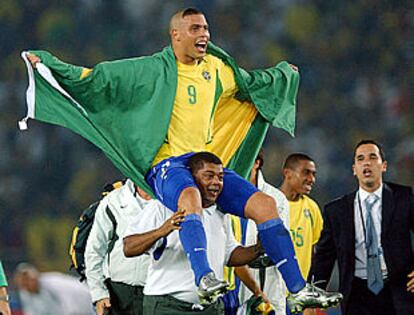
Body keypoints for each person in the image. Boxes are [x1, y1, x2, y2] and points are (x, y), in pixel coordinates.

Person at [23, 8, 341, 311]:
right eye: (195, 29)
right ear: (176, 35)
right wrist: (52, 65)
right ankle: (204, 277)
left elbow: (252, 85)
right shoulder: (151, 70)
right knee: (190, 197)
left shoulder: (217, 69)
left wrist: (283, 75)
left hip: (204, 163)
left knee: (265, 206)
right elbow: (99, 78)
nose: (204, 34)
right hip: (168, 166)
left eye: (205, 28)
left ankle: (298, 290)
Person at [123, 152, 266, 314]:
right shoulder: (162, 206)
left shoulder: (220, 213)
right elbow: (128, 247)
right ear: (192, 177)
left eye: (220, 177)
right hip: (167, 306)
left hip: (210, 307)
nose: (216, 182)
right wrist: (161, 231)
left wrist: (258, 249)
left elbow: (230, 255)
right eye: (209, 176)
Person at [309, 140, 414, 315]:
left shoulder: (404, 198)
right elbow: (323, 258)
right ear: (354, 169)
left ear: (384, 166)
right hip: (356, 295)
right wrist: (312, 300)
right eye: (360, 159)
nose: (367, 162)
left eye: (373, 157)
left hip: (399, 291)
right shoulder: (336, 210)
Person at [85, 179, 151, 315]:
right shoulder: (114, 200)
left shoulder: (172, 199)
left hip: (157, 292)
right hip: (118, 293)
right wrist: (99, 293)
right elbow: (94, 250)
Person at [237, 150, 289, 314]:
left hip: (269, 276)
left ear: (257, 162)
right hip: (235, 278)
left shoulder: (275, 198)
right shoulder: (225, 197)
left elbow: (279, 242)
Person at [279, 153, 323, 315]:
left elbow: (316, 254)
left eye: (314, 174)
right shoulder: (269, 204)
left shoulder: (312, 208)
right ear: (287, 173)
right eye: (306, 172)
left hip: (299, 297)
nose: (312, 179)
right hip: (272, 294)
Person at [14, 263, 94, 315]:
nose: (27, 284)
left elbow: (70, 307)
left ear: (35, 276)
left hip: (89, 300)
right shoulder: (25, 293)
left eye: (28, 280)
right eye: (23, 283)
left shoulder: (53, 282)